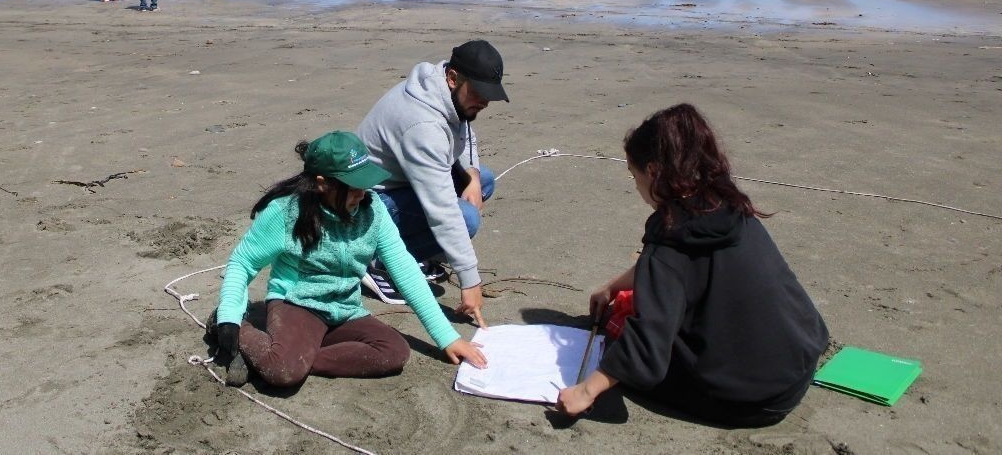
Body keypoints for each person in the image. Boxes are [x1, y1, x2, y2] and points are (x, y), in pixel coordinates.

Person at [555, 103, 829, 427]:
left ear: (653, 172)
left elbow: (648, 345)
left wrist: (585, 391)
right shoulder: (728, 206)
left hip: (751, 401)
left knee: (617, 338)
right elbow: (683, 269)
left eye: (634, 174)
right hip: (798, 366)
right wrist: (615, 286)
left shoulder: (669, 239)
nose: (636, 186)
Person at [208, 131, 487, 388]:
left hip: (345, 308)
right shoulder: (286, 213)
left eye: (365, 183)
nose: (362, 193)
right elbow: (242, 263)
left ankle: (296, 356)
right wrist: (230, 317)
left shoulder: (373, 210)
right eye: (353, 187)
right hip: (297, 304)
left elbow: (404, 268)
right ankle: (235, 329)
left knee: (394, 352)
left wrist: (447, 337)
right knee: (284, 373)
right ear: (322, 184)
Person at [355, 40, 508, 327]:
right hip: (364, 204)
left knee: (483, 179)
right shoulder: (422, 126)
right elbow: (442, 211)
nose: (485, 102)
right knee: (466, 219)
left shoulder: (443, 91)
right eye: (479, 93)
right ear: (452, 79)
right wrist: (469, 279)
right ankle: (379, 261)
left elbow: (464, 134)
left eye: (490, 95)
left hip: (399, 183)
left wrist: (472, 176)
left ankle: (406, 249)